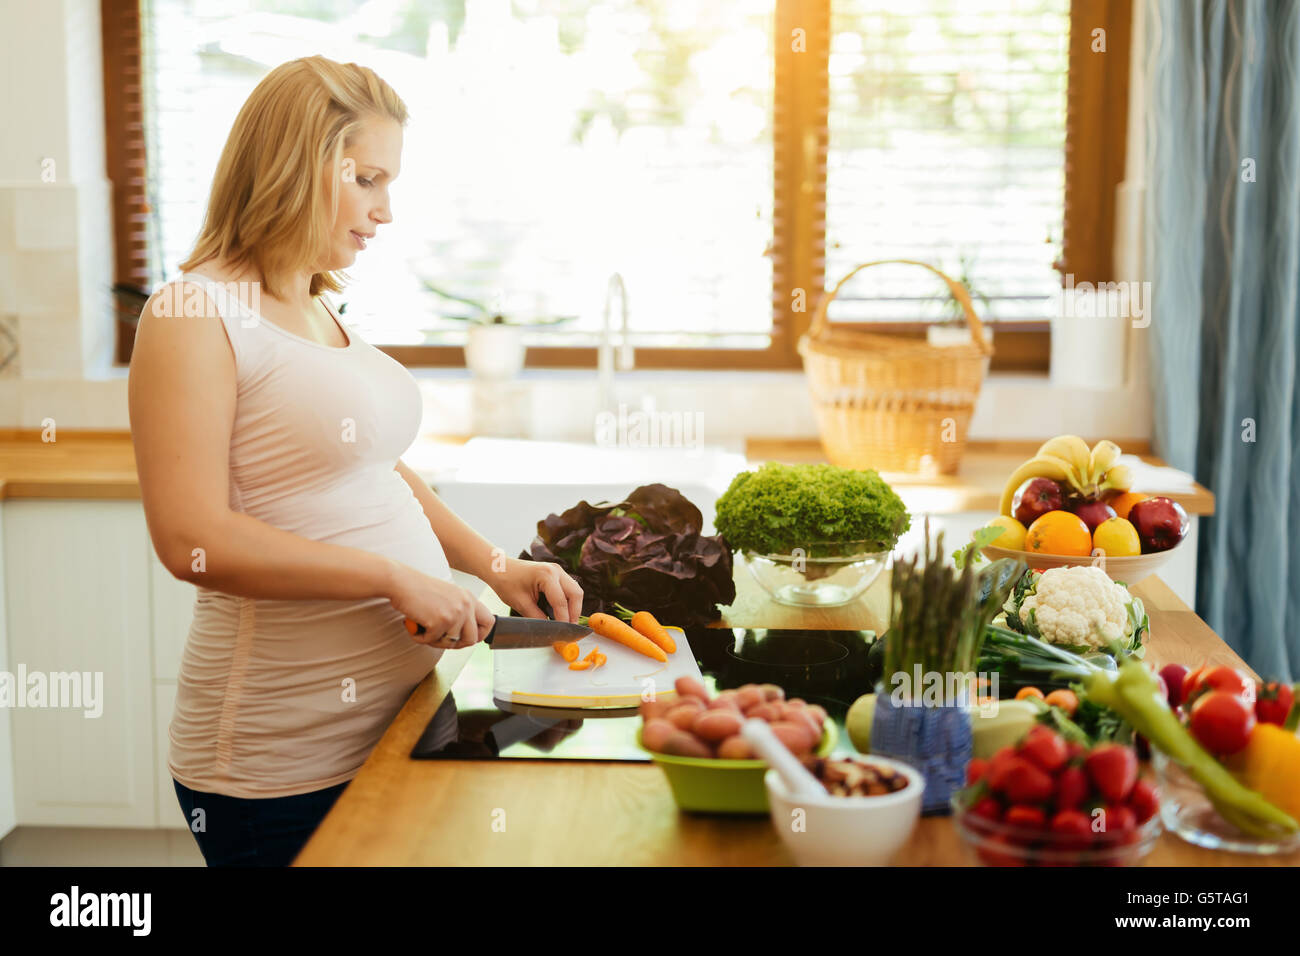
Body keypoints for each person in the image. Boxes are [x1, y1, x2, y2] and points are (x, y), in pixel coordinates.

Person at [128, 55, 582, 867]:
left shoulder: (316, 302)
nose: (386, 210)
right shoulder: (194, 312)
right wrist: (387, 577)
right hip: (280, 763)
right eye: (368, 179)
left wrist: (493, 565)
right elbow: (191, 540)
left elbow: (371, 468)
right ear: (298, 168)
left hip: (398, 721)